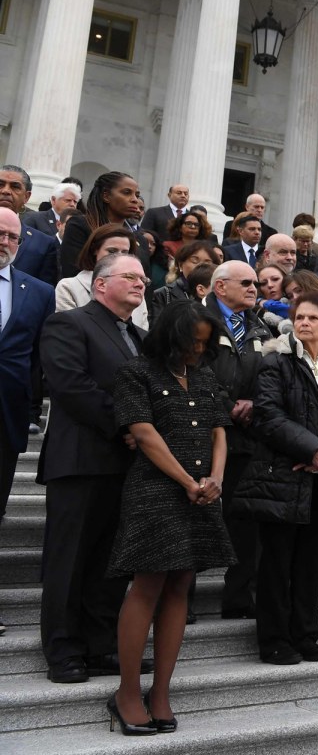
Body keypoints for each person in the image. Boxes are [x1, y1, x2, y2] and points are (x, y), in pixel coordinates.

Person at [106, 300, 236, 734]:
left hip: (200, 493)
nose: (197, 352)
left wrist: (215, 479)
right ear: (170, 336)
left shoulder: (203, 376)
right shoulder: (136, 372)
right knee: (147, 585)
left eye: (203, 345)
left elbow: (220, 430)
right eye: (191, 343)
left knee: (182, 585)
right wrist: (187, 481)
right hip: (156, 491)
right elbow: (143, 433)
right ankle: (127, 692)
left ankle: (160, 692)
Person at [37, 253, 149, 683]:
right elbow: (70, 384)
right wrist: (127, 424)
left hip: (126, 465)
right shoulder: (70, 323)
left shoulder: (139, 336)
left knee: (110, 562)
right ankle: (63, 650)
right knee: (70, 561)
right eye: (131, 277)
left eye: (142, 278)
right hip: (81, 461)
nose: (140, 284)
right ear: (101, 285)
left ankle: (101, 645)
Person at [238, 291, 318, 664]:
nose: (305, 323)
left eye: (313, 318)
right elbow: (269, 415)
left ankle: (305, 634)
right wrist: (313, 449)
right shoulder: (275, 361)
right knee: (276, 563)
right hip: (283, 474)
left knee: (310, 562)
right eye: (300, 317)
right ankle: (274, 639)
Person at [201, 261, 275, 621]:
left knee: (246, 520)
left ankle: (238, 598)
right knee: (198, 515)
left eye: (256, 282)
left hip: (247, 435)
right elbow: (193, 372)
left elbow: (271, 374)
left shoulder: (259, 325)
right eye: (245, 282)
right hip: (202, 432)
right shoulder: (195, 320)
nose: (254, 287)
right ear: (220, 287)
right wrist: (228, 405)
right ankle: (179, 597)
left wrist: (256, 404)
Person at [0, 207, 55, 520]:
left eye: (12, 237)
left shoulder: (40, 292)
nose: (5, 242)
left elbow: (38, 358)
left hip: (7, 414)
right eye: (0, 234)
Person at [0, 163, 63, 285]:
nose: (6, 191)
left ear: (26, 197)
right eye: (0, 185)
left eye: (15, 187)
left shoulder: (43, 244)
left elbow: (42, 295)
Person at [149, 239, 221, 319]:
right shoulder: (163, 294)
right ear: (180, 265)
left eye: (207, 263)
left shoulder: (221, 294)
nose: (200, 266)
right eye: (194, 260)